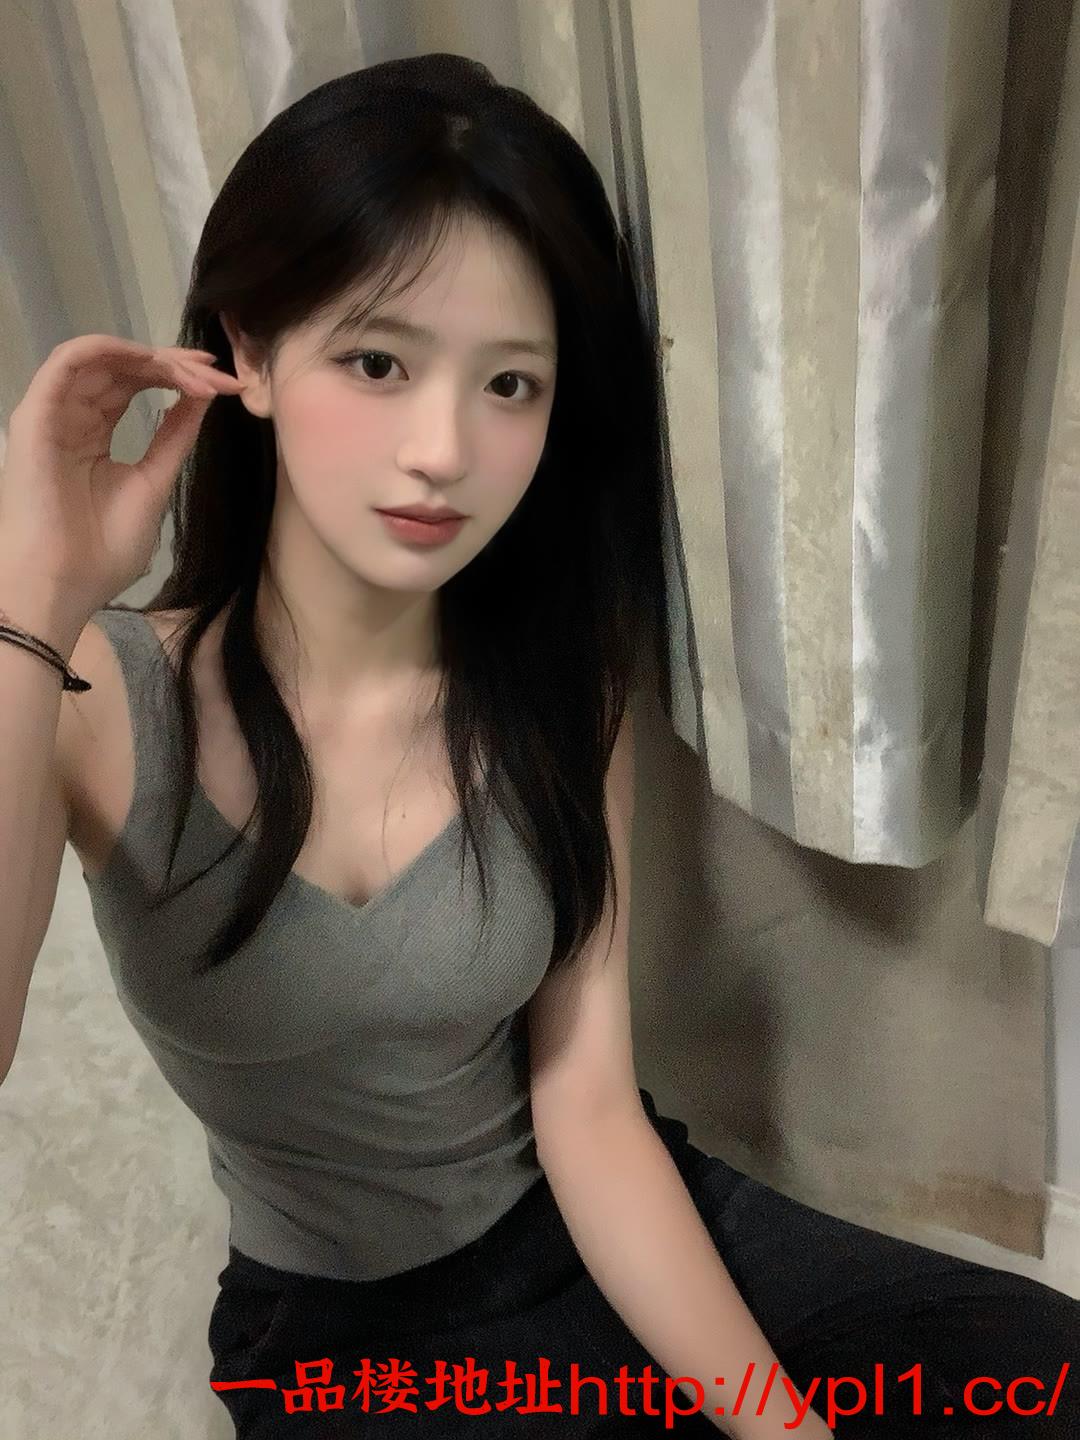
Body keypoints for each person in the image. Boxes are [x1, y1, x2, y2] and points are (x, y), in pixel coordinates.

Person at [0, 52, 1076, 1440]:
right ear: (251, 352)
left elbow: (588, 1110)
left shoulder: (559, 681)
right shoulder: (94, 694)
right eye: (378, 363)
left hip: (589, 1222)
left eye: (510, 384)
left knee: (1041, 1371)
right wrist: (33, 599)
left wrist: (782, 1427)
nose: (443, 448)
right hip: (345, 1342)